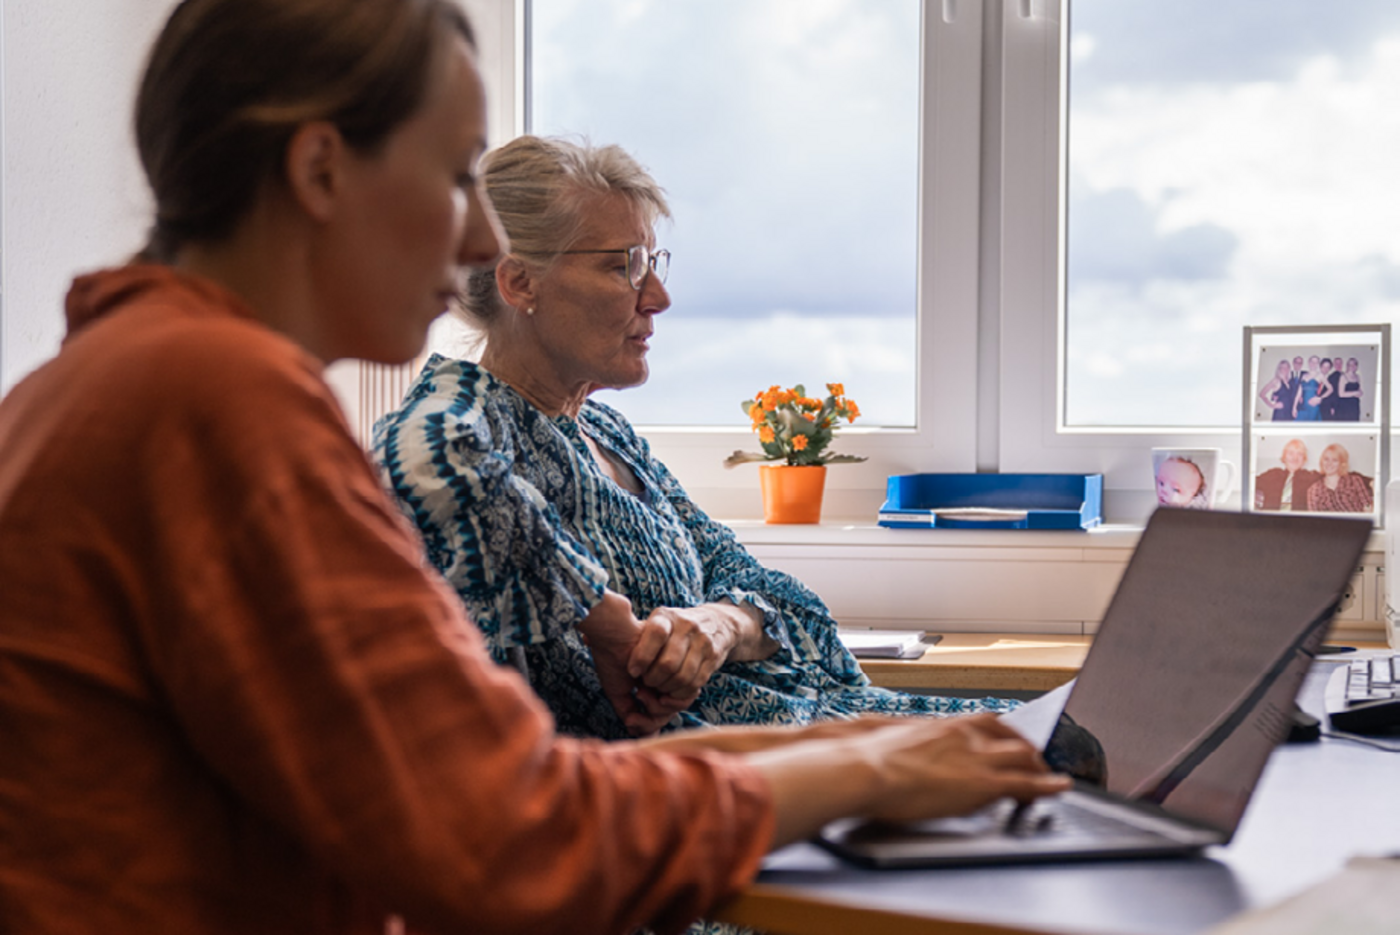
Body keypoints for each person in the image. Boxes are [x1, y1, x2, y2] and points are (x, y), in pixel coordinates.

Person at [0, 3, 1069, 933]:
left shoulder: (105, 381)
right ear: (320, 168)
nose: (475, 235)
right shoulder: (218, 406)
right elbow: (505, 834)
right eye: (456, 171)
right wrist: (867, 764)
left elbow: (453, 793)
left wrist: (863, 746)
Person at [373, 135, 1020, 740]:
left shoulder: (608, 434)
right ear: (519, 281)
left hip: (829, 724)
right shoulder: (472, 426)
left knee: (1081, 731)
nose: (658, 296)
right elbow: (420, 456)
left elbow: (781, 599)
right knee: (1067, 752)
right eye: (624, 266)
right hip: (763, 779)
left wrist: (721, 622)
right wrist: (603, 619)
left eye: (652, 262)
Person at [1253, 438, 1319, 511]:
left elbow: (1328, 477)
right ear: (1284, 457)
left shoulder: (1310, 477)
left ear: (1304, 459)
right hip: (1271, 520)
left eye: (1300, 454)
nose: (1295, 458)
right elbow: (1249, 481)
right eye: (1291, 453)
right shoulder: (1272, 474)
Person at [1307, 443, 1373, 513]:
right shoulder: (1313, 490)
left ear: (1342, 463)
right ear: (1321, 461)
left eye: (1335, 460)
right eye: (1326, 459)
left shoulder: (1355, 481)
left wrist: (1367, 514)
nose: (1329, 463)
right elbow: (1314, 518)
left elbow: (1367, 504)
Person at [1336, 357, 1364, 422]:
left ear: (1356, 366)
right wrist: (1355, 393)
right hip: (1345, 406)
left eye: (1354, 364)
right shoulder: (1343, 377)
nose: (1352, 366)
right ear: (1347, 366)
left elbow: (1359, 390)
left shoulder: (1357, 376)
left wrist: (1360, 393)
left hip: (1355, 405)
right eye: (1350, 364)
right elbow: (1341, 394)